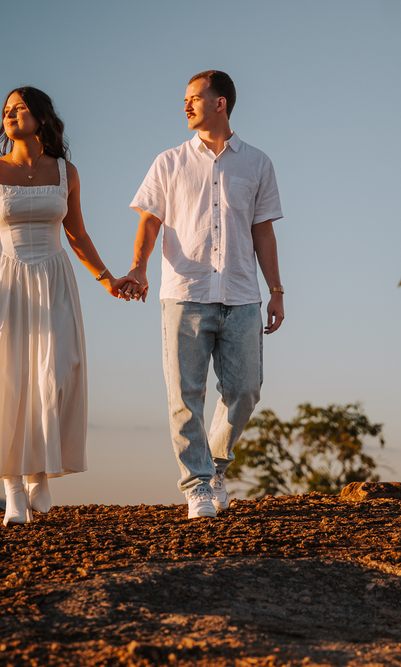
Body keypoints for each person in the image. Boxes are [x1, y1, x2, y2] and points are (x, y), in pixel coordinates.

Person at [0, 86, 133, 526]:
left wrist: (106, 278)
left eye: (20, 108)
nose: (11, 115)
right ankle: (13, 487)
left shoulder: (65, 171)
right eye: (6, 111)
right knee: (8, 380)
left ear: (41, 116)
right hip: (2, 278)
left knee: (55, 372)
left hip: (54, 278)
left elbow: (77, 233)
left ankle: (40, 473)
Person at [124, 70, 285, 519]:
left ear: (220, 104)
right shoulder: (169, 162)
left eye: (194, 98)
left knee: (246, 389)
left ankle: (214, 463)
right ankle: (197, 485)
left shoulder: (257, 163)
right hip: (185, 292)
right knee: (184, 395)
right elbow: (150, 221)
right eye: (185, 99)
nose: (185, 106)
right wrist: (138, 267)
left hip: (241, 294)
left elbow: (263, 232)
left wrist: (276, 290)